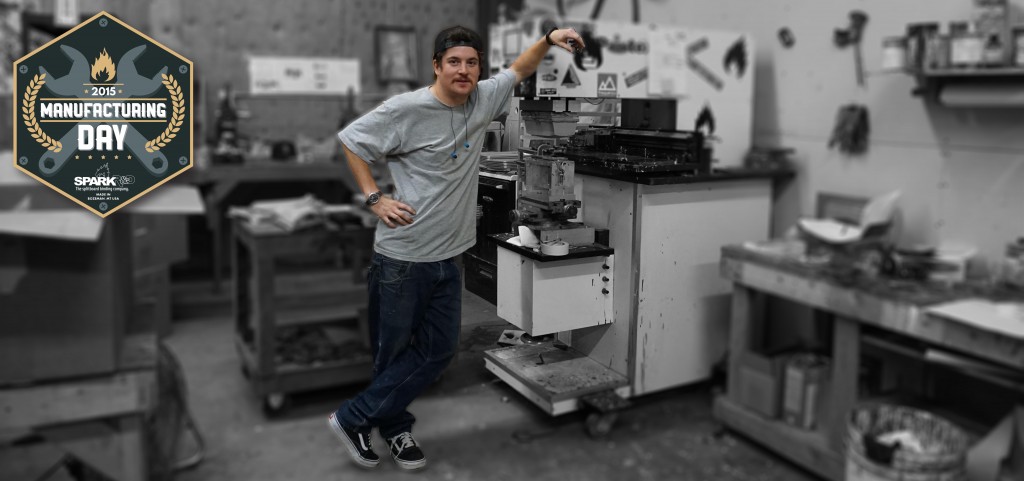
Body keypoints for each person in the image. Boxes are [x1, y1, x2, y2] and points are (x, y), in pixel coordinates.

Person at [328, 24, 584, 471]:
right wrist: (374, 198)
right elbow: (352, 141)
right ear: (436, 66)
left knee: (438, 351)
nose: (463, 70)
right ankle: (394, 429)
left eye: (471, 63)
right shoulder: (406, 109)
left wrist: (548, 40)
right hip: (403, 258)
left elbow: (520, 68)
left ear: (478, 68)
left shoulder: (483, 98)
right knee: (393, 355)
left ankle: (355, 417)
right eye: (453, 62)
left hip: (450, 256)